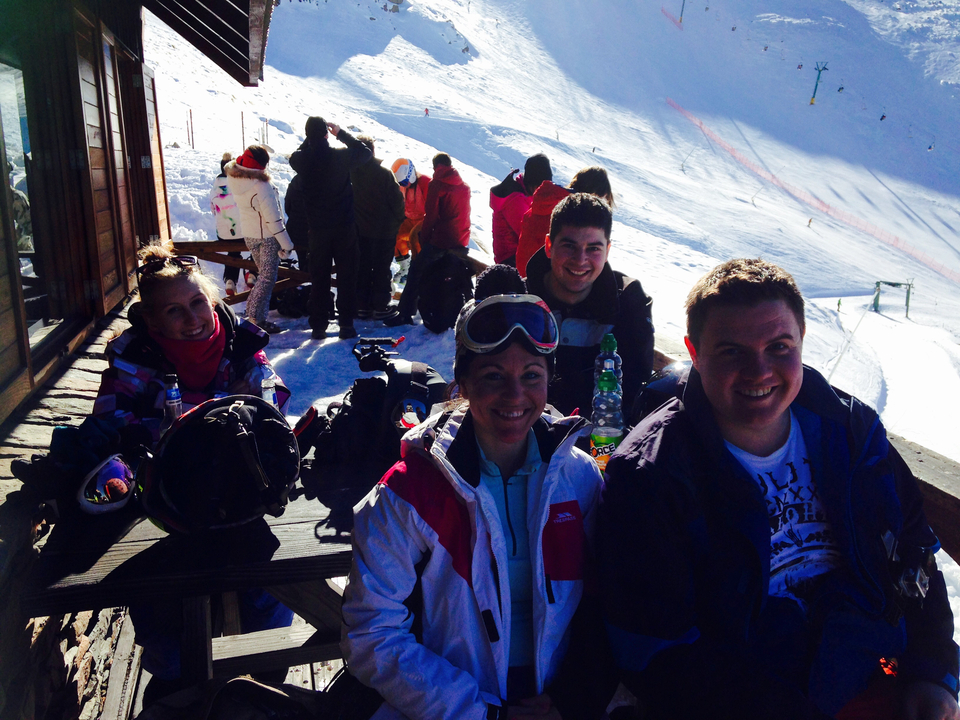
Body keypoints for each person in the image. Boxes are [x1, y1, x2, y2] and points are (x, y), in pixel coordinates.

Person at [599, 258, 960, 720]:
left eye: (779, 346)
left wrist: (933, 671)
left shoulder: (850, 432)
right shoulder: (651, 475)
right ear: (694, 351)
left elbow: (913, 552)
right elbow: (654, 649)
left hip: (871, 674)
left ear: (802, 340)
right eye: (731, 351)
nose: (759, 371)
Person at [342, 265, 614, 719]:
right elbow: (371, 633)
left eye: (532, 375)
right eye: (493, 376)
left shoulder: (579, 478)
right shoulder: (408, 493)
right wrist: (481, 714)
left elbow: (606, 602)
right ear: (462, 385)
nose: (515, 395)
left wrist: (572, 699)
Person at [93, 244, 293, 700]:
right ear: (153, 322)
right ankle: (176, 677)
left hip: (238, 488)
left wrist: (256, 399)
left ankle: (268, 663)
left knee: (269, 571)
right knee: (160, 584)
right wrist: (204, 413)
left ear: (211, 300)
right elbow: (109, 418)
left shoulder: (238, 343)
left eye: (197, 302)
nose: (192, 318)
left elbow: (274, 394)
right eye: (174, 311)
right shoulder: (137, 357)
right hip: (162, 497)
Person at [525, 193, 653, 416]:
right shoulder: (521, 300)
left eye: (593, 248)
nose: (580, 260)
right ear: (549, 245)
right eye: (569, 245)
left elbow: (632, 391)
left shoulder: (627, 304)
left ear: (607, 251)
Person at [289, 116, 372, 340]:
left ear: (308, 136)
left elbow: (297, 154)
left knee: (319, 278)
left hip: (318, 230)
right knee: (347, 276)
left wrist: (311, 139)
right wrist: (340, 134)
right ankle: (346, 324)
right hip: (344, 227)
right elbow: (364, 152)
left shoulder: (301, 159)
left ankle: (319, 326)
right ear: (326, 134)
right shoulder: (340, 156)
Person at [385, 152, 471, 327]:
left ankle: (405, 313)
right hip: (462, 237)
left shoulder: (436, 185)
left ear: (435, 167)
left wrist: (424, 240)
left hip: (443, 239)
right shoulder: (464, 186)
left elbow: (430, 217)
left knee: (417, 268)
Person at [224, 145, 294, 334]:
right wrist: (287, 244)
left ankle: (254, 316)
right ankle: (255, 318)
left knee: (263, 277)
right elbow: (273, 219)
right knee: (267, 278)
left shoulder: (235, 177)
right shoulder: (261, 186)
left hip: (250, 234)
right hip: (267, 237)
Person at [516, 166, 615, 278]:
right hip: (546, 280)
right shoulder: (571, 216)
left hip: (525, 274)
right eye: (600, 200)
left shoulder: (544, 202)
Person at [350, 135, 405, 320]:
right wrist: (397, 222)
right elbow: (397, 202)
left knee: (362, 267)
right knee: (381, 268)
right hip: (384, 231)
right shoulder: (384, 174)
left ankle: (362, 305)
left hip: (360, 231)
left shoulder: (351, 174)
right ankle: (380, 306)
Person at [489, 153, 552, 266]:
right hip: (509, 258)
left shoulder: (526, 191)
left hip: (519, 253)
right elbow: (529, 234)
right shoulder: (515, 199)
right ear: (533, 185)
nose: (542, 191)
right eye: (540, 187)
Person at [208, 152, 243, 296]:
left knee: (233, 250)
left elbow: (213, 211)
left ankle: (230, 280)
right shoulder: (240, 185)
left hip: (223, 234)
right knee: (256, 243)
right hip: (243, 233)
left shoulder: (215, 188)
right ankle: (252, 274)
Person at [392, 158, 431, 283]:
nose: (404, 185)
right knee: (394, 234)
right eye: (401, 183)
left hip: (423, 220)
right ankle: (405, 267)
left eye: (404, 182)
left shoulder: (425, 183)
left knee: (416, 239)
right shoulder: (402, 186)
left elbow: (433, 208)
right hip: (408, 218)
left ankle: (418, 271)